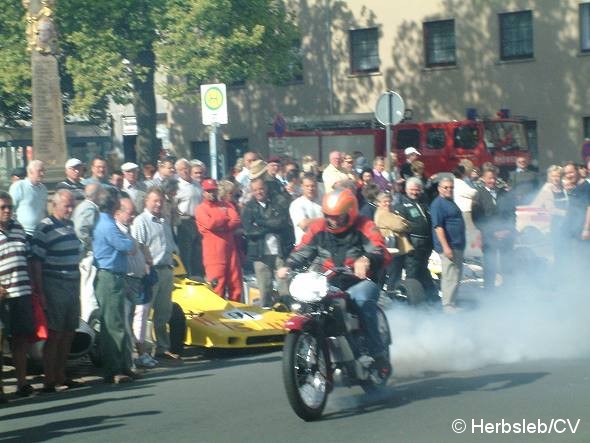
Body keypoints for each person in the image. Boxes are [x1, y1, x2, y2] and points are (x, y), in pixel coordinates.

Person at [277, 188, 391, 375]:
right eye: (330, 216)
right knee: (305, 303)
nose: (333, 220)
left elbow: (380, 249)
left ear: (351, 213)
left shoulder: (365, 225)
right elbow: (303, 249)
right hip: (326, 280)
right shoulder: (318, 227)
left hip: (358, 280)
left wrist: (367, 259)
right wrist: (288, 265)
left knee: (361, 302)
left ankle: (377, 354)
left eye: (338, 217)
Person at [32, 190, 82, 391]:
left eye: (72, 206)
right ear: (55, 205)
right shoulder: (44, 227)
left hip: (72, 283)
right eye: (66, 206)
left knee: (69, 331)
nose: (70, 210)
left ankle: (62, 374)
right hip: (54, 283)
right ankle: (49, 378)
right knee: (55, 333)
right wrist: (41, 291)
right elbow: (36, 261)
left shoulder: (70, 226)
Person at [92, 189, 137, 384]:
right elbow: (127, 246)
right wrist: (130, 243)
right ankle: (114, 369)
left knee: (119, 322)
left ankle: (124, 365)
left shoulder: (107, 223)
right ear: (112, 205)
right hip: (108, 276)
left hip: (116, 275)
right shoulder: (107, 225)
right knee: (113, 325)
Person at [132, 189, 179, 360]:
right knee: (144, 312)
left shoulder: (164, 221)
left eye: (161, 201)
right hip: (150, 271)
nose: (159, 204)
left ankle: (162, 347)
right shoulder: (141, 221)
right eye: (155, 201)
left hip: (166, 269)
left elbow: (171, 244)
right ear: (146, 201)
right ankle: (141, 351)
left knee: (163, 312)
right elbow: (137, 247)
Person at [114, 197, 158, 370]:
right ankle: (129, 360)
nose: (133, 217)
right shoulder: (116, 231)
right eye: (130, 213)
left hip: (138, 280)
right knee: (126, 321)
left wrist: (145, 258)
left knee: (137, 317)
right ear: (118, 213)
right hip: (126, 280)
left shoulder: (128, 229)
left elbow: (139, 246)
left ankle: (137, 356)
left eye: (134, 213)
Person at [0, 191, 34, 397]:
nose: (6, 211)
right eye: (2, 207)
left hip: (22, 292)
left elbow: (28, 258)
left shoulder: (19, 229)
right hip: (3, 296)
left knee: (21, 341)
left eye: (9, 207)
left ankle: (22, 383)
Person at [242, 178, 292, 307]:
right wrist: (270, 225)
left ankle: (286, 312)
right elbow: (248, 231)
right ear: (252, 191)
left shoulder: (277, 202)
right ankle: (266, 314)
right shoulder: (249, 207)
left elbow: (281, 222)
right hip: (260, 254)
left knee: (284, 287)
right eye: (255, 190)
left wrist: (260, 222)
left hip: (279, 251)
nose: (259, 192)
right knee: (265, 289)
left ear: (266, 188)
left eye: (261, 189)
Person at [195, 179, 242, 301]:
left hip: (230, 251)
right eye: (208, 191)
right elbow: (210, 224)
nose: (211, 193)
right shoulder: (201, 209)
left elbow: (236, 220)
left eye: (213, 191)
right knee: (217, 286)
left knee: (235, 284)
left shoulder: (227, 205)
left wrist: (219, 224)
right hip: (213, 253)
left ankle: (236, 311)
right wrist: (225, 218)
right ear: (203, 192)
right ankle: (217, 315)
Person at [393, 177, 438, 302]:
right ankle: (410, 299)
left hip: (426, 245)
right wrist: (407, 245)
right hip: (413, 245)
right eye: (412, 190)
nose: (415, 192)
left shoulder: (423, 204)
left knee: (423, 269)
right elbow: (400, 228)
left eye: (417, 190)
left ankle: (431, 296)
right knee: (412, 273)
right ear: (406, 190)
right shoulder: (402, 206)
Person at [472, 166, 516, 291]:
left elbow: (512, 213)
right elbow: (477, 218)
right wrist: (493, 232)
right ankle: (489, 293)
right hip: (489, 237)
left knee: (506, 265)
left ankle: (508, 290)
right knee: (490, 266)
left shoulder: (504, 193)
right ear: (483, 179)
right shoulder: (478, 195)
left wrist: (508, 229)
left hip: (506, 236)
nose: (492, 181)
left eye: (494, 178)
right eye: (489, 178)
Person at [430, 178, 466, 312]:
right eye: (445, 187)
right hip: (449, 246)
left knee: (456, 275)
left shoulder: (450, 202)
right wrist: (446, 247)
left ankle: (453, 303)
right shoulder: (438, 204)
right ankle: (447, 305)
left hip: (457, 245)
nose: (449, 190)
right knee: (450, 276)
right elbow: (438, 227)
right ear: (439, 188)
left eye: (451, 187)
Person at [73, 183, 105, 321]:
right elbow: (81, 230)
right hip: (88, 256)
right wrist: (92, 245)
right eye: (102, 193)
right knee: (88, 293)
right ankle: (88, 324)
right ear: (97, 194)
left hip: (87, 255)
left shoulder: (86, 207)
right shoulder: (89, 208)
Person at [374, 191, 412, 293]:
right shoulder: (384, 214)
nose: (387, 204)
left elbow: (404, 223)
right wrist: (404, 223)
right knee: (394, 276)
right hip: (392, 250)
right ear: (378, 203)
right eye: (384, 202)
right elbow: (401, 225)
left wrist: (403, 222)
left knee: (386, 275)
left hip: (390, 249)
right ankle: (392, 298)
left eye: (389, 201)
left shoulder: (390, 213)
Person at [531, 165, 567, 262]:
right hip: (555, 223)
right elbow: (551, 209)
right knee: (558, 250)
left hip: (566, 222)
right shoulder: (547, 189)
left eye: (557, 176)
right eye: (553, 176)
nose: (555, 179)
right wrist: (567, 213)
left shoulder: (564, 186)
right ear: (549, 177)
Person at [175, 158, 203, 276]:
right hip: (184, 220)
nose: (184, 171)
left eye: (186, 168)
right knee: (186, 252)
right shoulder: (178, 186)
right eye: (181, 169)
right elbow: (173, 205)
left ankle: (197, 276)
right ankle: (186, 276)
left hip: (198, 220)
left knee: (197, 253)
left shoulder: (197, 184)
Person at [561, 162, 590, 275]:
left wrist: (586, 229)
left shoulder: (586, 187)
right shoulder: (575, 187)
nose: (568, 175)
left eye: (571, 172)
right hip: (573, 230)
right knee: (576, 260)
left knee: (584, 261)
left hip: (582, 231)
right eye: (566, 173)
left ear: (578, 171)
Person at [9, 159, 48, 237]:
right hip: (24, 233)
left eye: (43, 171)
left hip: (41, 233)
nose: (42, 173)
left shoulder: (43, 188)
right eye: (39, 171)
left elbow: (44, 210)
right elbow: (10, 210)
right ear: (30, 171)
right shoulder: (19, 186)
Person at [289, 173, 323, 245]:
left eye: (313, 186)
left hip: (321, 244)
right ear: (302, 186)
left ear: (317, 186)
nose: (310, 188)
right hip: (304, 246)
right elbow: (303, 224)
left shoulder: (323, 201)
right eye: (307, 186)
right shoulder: (296, 204)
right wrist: (325, 220)